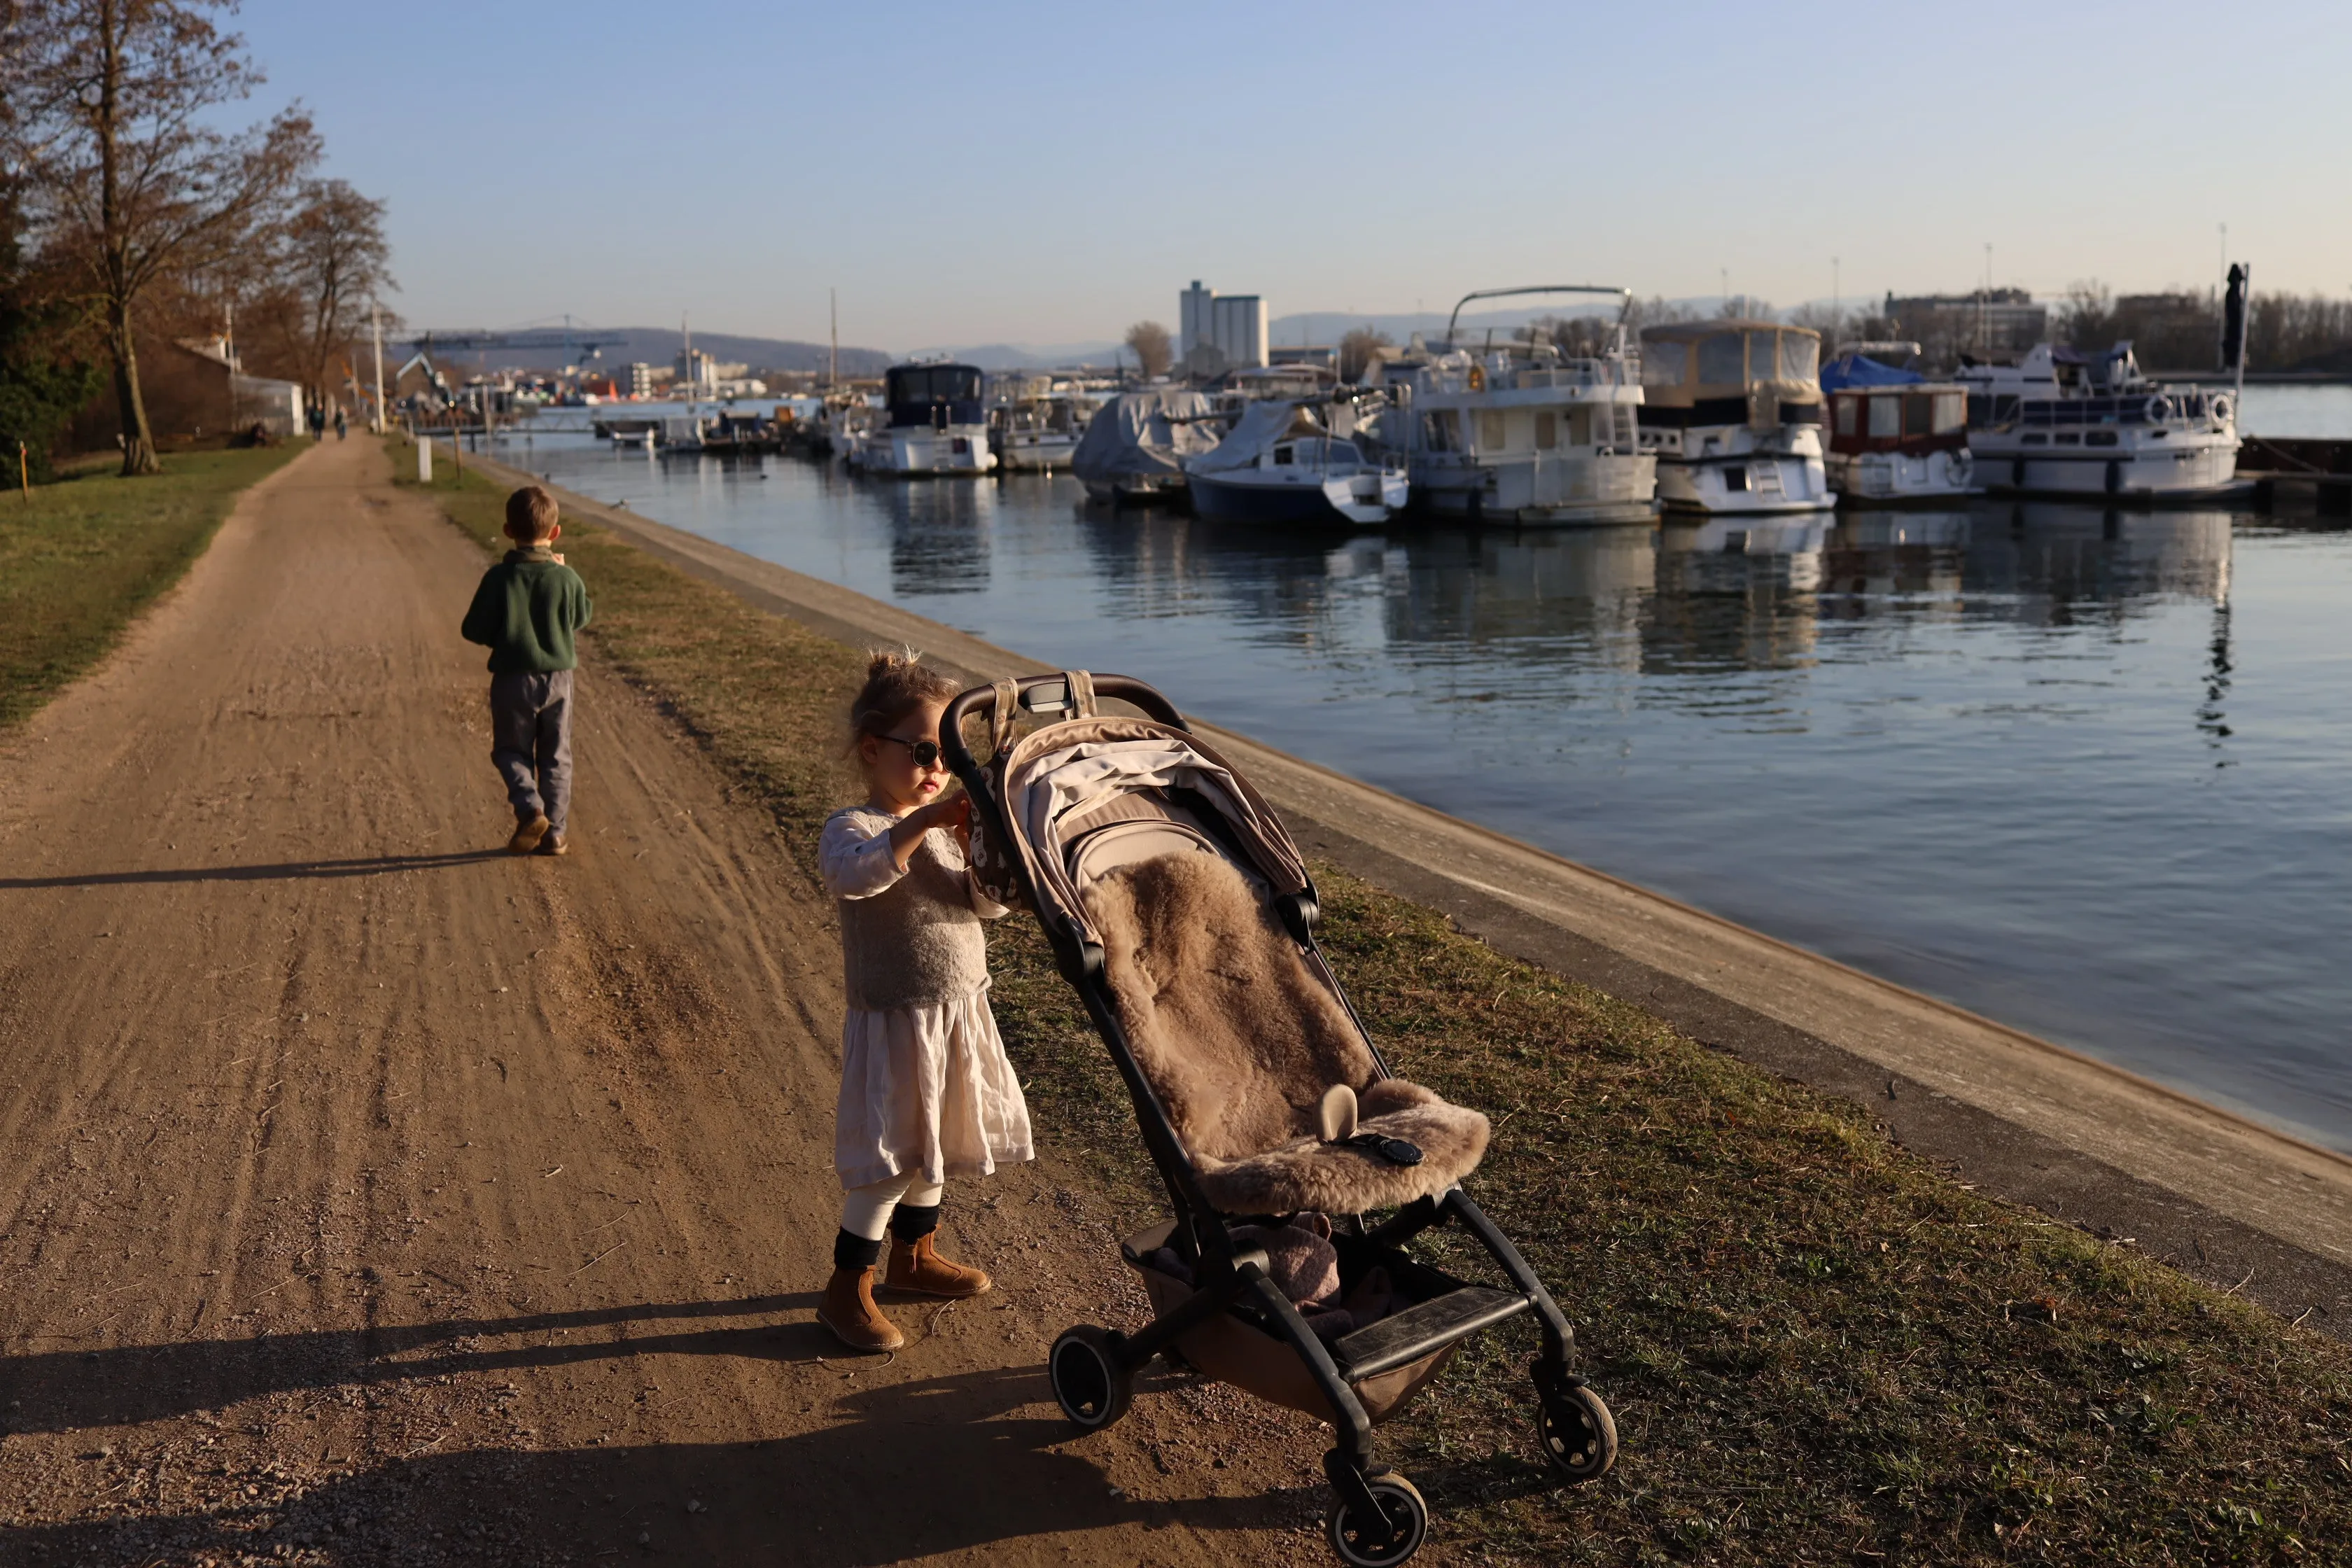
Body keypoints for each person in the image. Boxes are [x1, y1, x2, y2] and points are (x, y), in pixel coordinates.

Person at [816, 652, 1032, 1352]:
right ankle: (847, 1286)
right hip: (895, 1020)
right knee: (892, 1158)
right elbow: (857, 879)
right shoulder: (854, 826)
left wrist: (981, 847)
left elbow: (985, 907)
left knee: (937, 1138)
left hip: (956, 1012)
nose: (940, 765)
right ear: (874, 750)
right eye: (926, 751)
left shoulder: (944, 825)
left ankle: (913, 1256)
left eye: (950, 753)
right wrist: (928, 818)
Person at [459, 486, 593, 856]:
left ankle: (529, 806)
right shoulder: (566, 578)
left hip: (512, 678)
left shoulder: (498, 579)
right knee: (556, 755)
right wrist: (566, 576)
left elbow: (473, 630)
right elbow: (581, 617)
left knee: (510, 751)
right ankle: (556, 833)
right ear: (555, 533)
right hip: (559, 680)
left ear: (507, 531)